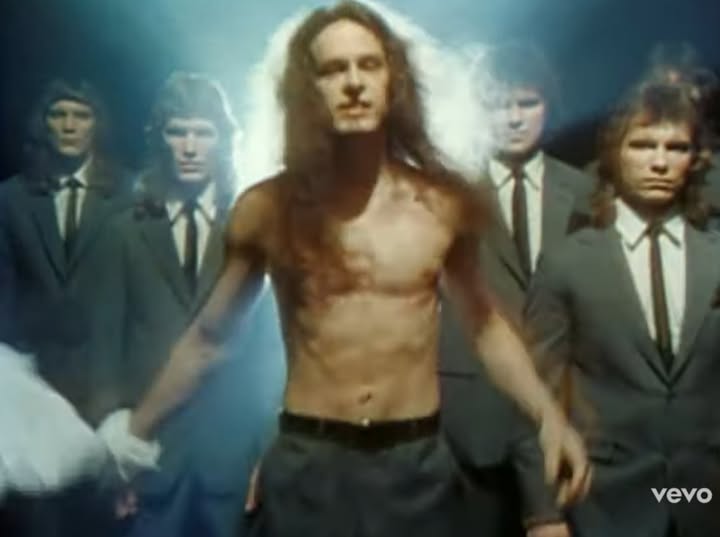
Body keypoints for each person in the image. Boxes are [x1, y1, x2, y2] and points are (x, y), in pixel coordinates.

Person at [125, 3, 589, 536]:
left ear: (393, 81)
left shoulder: (440, 206)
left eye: (369, 65)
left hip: (416, 465)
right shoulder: (267, 209)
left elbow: (485, 326)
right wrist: (131, 436)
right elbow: (208, 339)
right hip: (309, 462)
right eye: (333, 69)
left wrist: (549, 417)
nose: (353, 83)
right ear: (308, 89)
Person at [520, 81, 720, 537]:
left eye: (676, 148)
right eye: (643, 145)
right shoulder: (566, 263)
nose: (659, 162)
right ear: (614, 153)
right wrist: (543, 513)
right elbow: (536, 398)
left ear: (695, 159)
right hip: (607, 502)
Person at [106, 72, 285, 537]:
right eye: (177, 132)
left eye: (203, 133)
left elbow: (271, 354)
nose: (189, 147)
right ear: (159, 139)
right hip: (149, 460)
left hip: (231, 459)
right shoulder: (123, 230)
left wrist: (266, 453)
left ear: (223, 141)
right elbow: (106, 351)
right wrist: (116, 461)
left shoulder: (252, 228)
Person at [438, 41, 594, 537]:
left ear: (549, 104)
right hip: (469, 418)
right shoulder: (448, 196)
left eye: (527, 102)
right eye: (497, 104)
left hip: (569, 410)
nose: (512, 118)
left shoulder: (587, 193)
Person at [0, 77, 133, 537]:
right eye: (59, 115)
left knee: (105, 521)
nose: (70, 125)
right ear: (43, 124)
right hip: (37, 385)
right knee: (38, 523)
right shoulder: (11, 198)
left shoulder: (130, 194)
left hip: (110, 384)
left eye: (81, 114)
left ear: (98, 124)